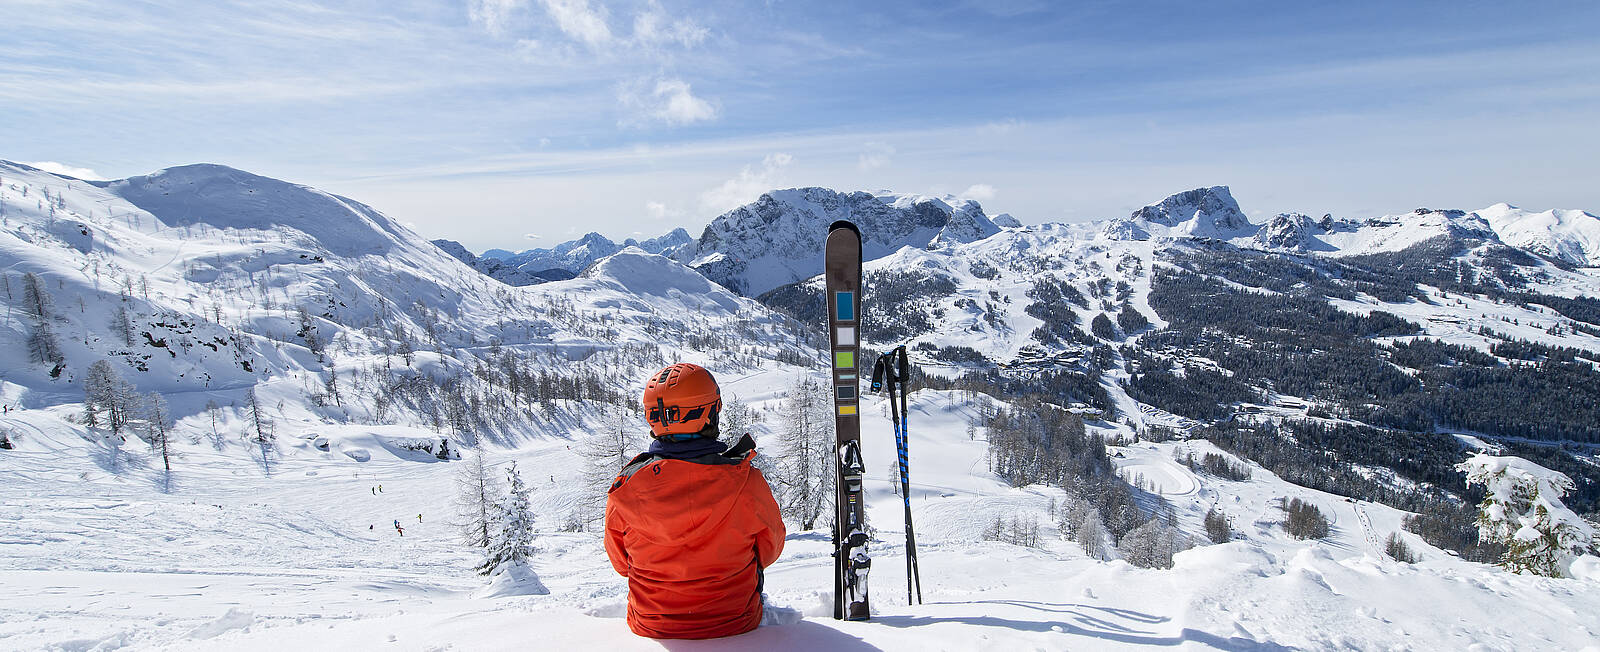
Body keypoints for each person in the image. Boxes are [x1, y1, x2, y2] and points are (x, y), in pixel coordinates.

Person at [604, 363, 785, 640]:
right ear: (710, 412)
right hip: (736, 621)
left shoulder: (626, 487)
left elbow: (621, 563)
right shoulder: (745, 481)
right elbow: (769, 550)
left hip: (651, 625)